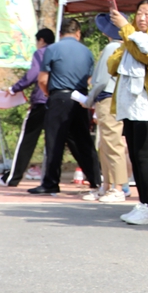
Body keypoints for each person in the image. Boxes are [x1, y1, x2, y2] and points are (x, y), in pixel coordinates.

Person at [108, 0, 148, 225]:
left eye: (147, 13)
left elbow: (147, 54)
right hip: (130, 106)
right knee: (135, 155)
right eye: (139, 13)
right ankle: (144, 203)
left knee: (145, 156)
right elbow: (112, 65)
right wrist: (127, 36)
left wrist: (126, 30)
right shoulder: (132, 36)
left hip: (147, 106)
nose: (141, 18)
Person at [28, 18, 102, 195]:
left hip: (59, 97)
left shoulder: (52, 49)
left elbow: (42, 79)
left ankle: (51, 182)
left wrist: (49, 94)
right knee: (83, 141)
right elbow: (91, 79)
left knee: (55, 141)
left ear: (60, 34)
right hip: (81, 98)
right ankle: (96, 180)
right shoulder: (87, 52)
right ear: (78, 33)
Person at [0, 28, 55, 187]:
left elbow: (33, 74)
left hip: (42, 100)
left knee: (27, 140)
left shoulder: (41, 53)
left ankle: (12, 178)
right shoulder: (59, 52)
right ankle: (94, 178)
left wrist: (15, 88)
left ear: (41, 40)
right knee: (61, 141)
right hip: (59, 101)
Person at [90, 15, 129, 203]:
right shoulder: (124, 46)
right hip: (116, 97)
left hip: (107, 97)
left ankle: (118, 187)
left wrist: (89, 99)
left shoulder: (112, 47)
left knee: (112, 144)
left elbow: (101, 79)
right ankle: (108, 186)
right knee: (106, 144)